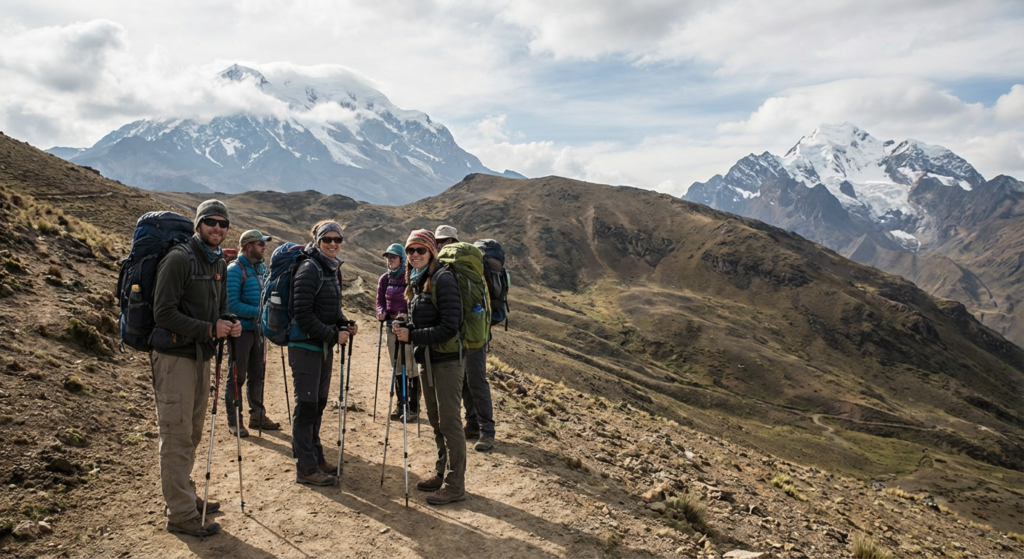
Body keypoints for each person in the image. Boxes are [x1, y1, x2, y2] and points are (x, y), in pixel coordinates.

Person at [151, 199, 241, 536]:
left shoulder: (217, 262)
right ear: (198, 224)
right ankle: (180, 514)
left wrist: (229, 322)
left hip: (201, 356)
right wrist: (209, 329)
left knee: (191, 434)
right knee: (176, 436)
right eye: (211, 222)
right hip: (175, 358)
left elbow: (220, 308)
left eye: (222, 223)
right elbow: (163, 312)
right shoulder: (180, 258)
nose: (217, 228)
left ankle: (184, 497)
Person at [394, 229, 468, 505]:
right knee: (436, 421)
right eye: (410, 250)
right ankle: (441, 473)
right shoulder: (418, 279)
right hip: (428, 359)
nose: (414, 254)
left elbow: (449, 327)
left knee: (450, 422)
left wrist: (412, 335)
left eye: (420, 250)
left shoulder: (442, 279)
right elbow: (428, 321)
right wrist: (407, 325)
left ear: (432, 252)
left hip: (447, 361)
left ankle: (455, 485)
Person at [288, 220, 358, 486]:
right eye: (327, 239)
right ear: (317, 241)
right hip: (305, 347)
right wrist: (332, 335)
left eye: (337, 240)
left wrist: (344, 323)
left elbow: (330, 309)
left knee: (317, 405)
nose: (332, 244)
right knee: (306, 407)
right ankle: (305, 468)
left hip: (321, 347)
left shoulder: (330, 268)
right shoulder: (309, 268)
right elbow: (302, 314)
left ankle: (315, 458)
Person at [434, 225, 495, 452]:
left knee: (476, 381)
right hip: (457, 334)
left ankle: (487, 432)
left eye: (445, 240)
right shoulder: (443, 269)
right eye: (438, 241)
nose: (441, 245)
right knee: (464, 382)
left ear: (455, 241)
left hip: (474, 333)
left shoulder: (470, 267)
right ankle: (472, 425)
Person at [225, 229, 281, 437]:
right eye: (261, 244)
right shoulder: (234, 270)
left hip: (259, 331)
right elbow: (231, 304)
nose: (264, 247)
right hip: (240, 332)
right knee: (237, 376)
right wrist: (261, 312)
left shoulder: (262, 268)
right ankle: (235, 421)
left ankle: (257, 416)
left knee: (258, 375)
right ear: (249, 246)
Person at [375, 243, 418, 421]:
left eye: (393, 257)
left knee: (411, 367)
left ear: (401, 258)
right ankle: (401, 404)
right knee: (397, 366)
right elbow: (380, 301)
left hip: (406, 328)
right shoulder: (384, 279)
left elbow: (415, 301)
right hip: (390, 326)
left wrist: (406, 316)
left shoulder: (410, 277)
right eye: (388, 257)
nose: (390, 260)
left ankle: (413, 407)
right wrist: (381, 312)